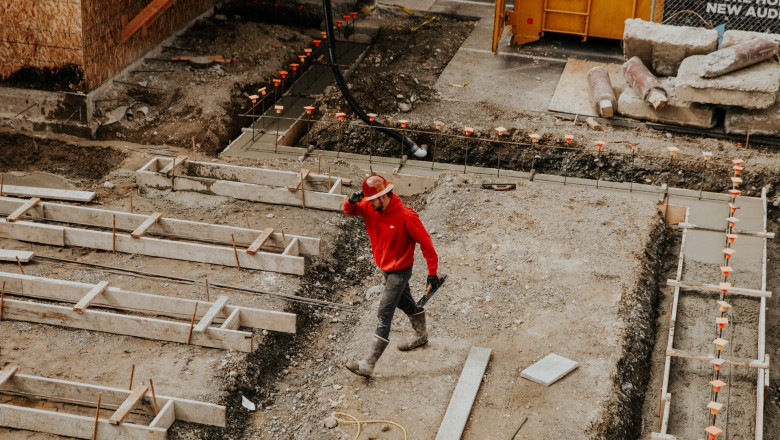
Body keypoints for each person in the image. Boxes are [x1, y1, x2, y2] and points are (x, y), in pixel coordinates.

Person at [343, 174, 442, 377]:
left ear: (385, 195)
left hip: (400, 270)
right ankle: (421, 334)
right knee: (403, 302)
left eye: (373, 200)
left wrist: (432, 274)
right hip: (385, 267)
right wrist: (350, 201)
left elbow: (426, 244)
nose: (369, 204)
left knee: (384, 311)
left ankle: (368, 364)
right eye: (367, 200)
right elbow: (350, 210)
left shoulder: (406, 216)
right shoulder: (371, 207)